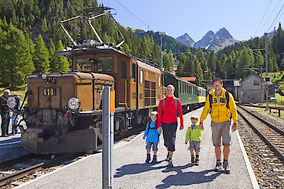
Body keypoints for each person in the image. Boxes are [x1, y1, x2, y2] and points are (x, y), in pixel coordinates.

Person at [199, 78, 237, 174]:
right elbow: (206, 108)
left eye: (218, 85)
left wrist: (235, 122)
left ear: (221, 84)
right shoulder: (210, 96)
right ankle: (218, 162)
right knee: (216, 144)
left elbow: (233, 109)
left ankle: (226, 162)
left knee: (226, 143)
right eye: (214, 85)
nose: (216, 87)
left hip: (225, 122)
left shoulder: (228, 95)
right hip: (215, 123)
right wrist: (201, 120)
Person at [157, 84, 184, 168]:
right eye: (168, 90)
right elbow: (159, 114)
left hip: (173, 123)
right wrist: (158, 125)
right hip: (164, 123)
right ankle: (169, 153)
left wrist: (182, 124)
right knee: (166, 142)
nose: (169, 92)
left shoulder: (177, 101)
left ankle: (170, 159)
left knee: (171, 140)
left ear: (173, 91)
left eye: (171, 90)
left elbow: (180, 113)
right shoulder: (162, 101)